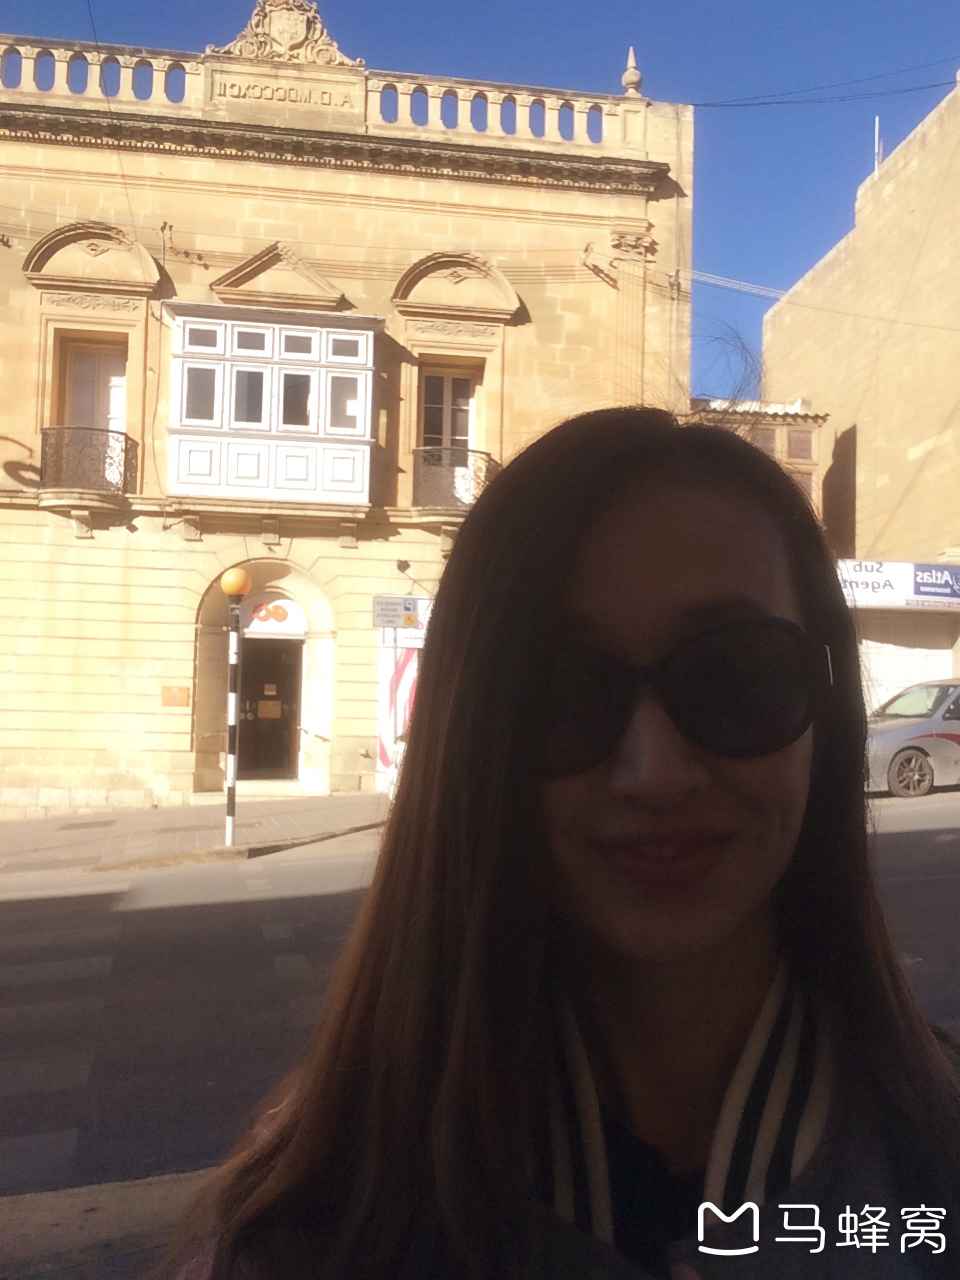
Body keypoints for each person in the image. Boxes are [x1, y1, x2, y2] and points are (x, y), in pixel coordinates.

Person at [172, 407, 960, 1279]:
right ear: (472, 734)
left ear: (828, 710)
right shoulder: (307, 1233)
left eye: (735, 672)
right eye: (561, 689)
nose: (654, 773)